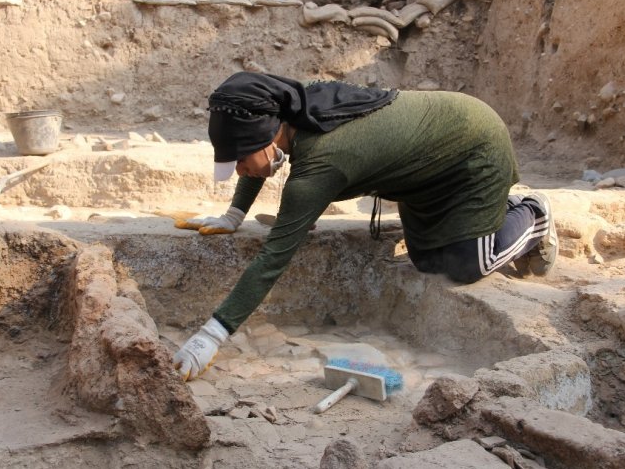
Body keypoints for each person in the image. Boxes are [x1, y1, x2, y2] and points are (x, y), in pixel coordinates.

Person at [172, 72, 558, 381]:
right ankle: (492, 210)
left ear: (267, 134)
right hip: (424, 171)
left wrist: (211, 335)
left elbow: (274, 257)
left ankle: (531, 212)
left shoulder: (322, 164)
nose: (239, 169)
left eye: (239, 160)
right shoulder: (292, 109)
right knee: (427, 260)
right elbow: (256, 160)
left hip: (473, 143)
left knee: (466, 264)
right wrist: (233, 216)